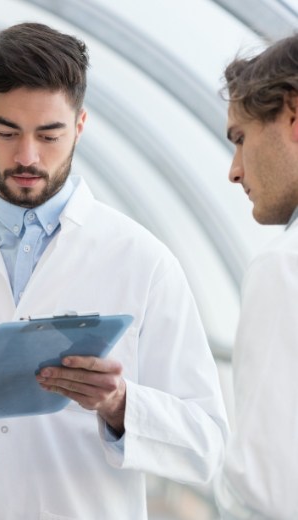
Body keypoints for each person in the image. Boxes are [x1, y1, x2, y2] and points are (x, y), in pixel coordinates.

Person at [0, 22, 229, 519]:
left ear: (80, 125)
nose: (27, 156)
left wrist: (119, 404)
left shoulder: (142, 259)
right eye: (6, 131)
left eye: (49, 134)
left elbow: (207, 441)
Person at [213, 34, 298, 520]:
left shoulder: (285, 267)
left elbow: (265, 494)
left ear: (292, 114)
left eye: (241, 138)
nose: (234, 170)